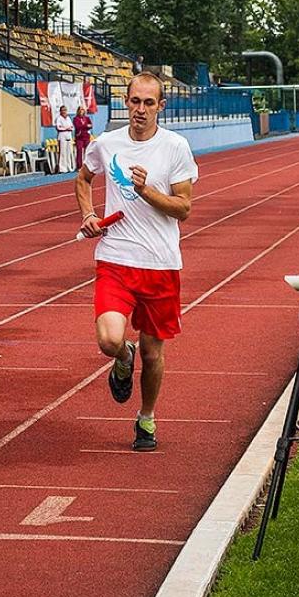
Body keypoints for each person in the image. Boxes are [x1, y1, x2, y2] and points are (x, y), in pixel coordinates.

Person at [75, 72, 198, 451]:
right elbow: (83, 178)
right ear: (125, 103)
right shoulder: (107, 143)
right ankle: (122, 356)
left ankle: (146, 419)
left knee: (153, 352)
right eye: (134, 102)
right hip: (115, 259)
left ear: (161, 106)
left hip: (161, 264)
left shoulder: (175, 147)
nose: (140, 110)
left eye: (148, 103)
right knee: (110, 340)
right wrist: (88, 214)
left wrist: (145, 192)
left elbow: (184, 209)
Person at [55, 105, 75, 173]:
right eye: (63, 110)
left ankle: (69, 167)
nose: (64, 112)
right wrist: (66, 128)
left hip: (69, 136)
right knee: (63, 153)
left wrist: (67, 128)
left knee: (69, 152)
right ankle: (62, 168)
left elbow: (72, 127)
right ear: (60, 111)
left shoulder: (68, 118)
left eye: (65, 110)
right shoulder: (59, 119)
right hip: (62, 136)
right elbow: (59, 127)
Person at [73, 105, 93, 169]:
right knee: (79, 151)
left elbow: (91, 125)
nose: (82, 111)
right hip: (79, 137)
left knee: (87, 151)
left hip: (86, 136)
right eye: (80, 109)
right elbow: (78, 126)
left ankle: (87, 166)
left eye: (83, 109)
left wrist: (85, 126)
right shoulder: (76, 118)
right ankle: (79, 166)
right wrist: (86, 126)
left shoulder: (87, 118)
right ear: (78, 111)